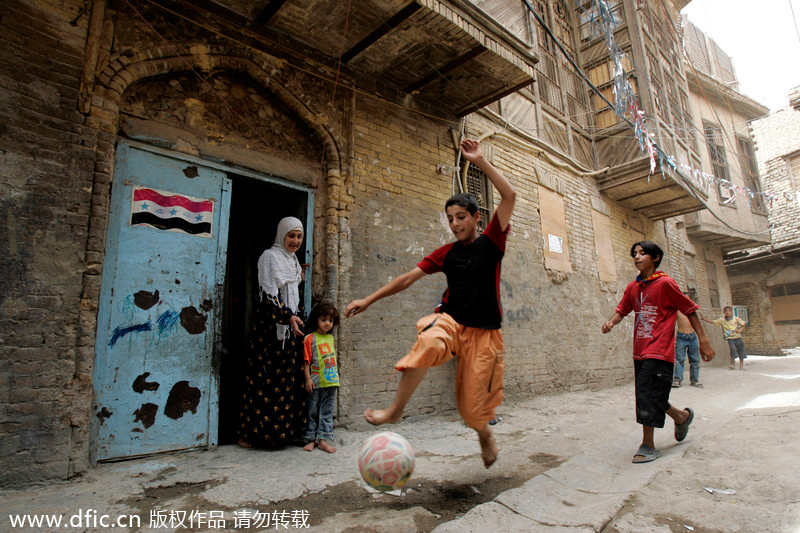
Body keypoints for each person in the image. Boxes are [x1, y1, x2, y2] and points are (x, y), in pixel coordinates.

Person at [345, 138, 515, 468]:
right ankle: (395, 411)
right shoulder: (446, 254)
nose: (455, 224)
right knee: (427, 341)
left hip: (485, 333)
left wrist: (480, 160)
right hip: (451, 321)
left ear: (476, 217)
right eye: (450, 219)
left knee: (471, 410)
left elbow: (509, 196)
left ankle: (483, 435)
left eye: (461, 217)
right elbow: (407, 278)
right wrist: (369, 299)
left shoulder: (493, 241)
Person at [602, 241, 715, 463]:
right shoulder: (632, 287)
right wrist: (611, 323)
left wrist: (703, 340)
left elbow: (689, 309)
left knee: (647, 394)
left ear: (655, 257)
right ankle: (681, 416)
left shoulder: (665, 284)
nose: (636, 257)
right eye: (634, 254)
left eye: (642, 253)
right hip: (640, 351)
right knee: (650, 394)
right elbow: (622, 309)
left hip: (660, 350)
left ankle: (648, 445)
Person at [238, 217, 308, 448]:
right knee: (263, 382)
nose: (295, 241)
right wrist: (288, 316)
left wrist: (295, 316)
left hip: (290, 331)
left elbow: (294, 292)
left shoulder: (294, 261)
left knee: (287, 382)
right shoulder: (270, 257)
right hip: (270, 332)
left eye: (299, 236)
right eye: (291, 236)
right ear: (281, 235)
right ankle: (253, 434)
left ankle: (281, 433)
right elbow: (268, 297)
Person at [302, 302, 341, 453]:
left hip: (331, 381)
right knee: (312, 410)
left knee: (327, 411)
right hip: (316, 381)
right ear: (316, 320)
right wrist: (308, 378)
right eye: (324, 319)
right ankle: (311, 438)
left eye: (330, 321)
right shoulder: (309, 339)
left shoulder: (330, 338)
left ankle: (323, 440)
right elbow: (307, 361)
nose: (327, 323)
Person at [673, 306, 703, 388]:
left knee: (695, 360)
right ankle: (677, 380)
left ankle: (694, 380)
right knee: (679, 359)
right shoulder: (678, 312)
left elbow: (698, 324)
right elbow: (672, 323)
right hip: (681, 336)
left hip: (692, 337)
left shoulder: (693, 312)